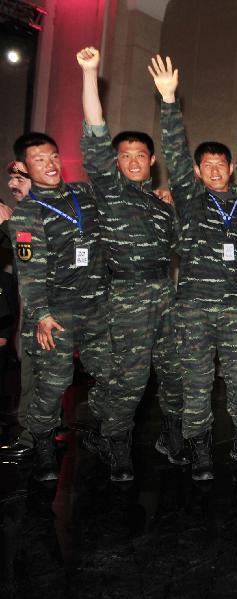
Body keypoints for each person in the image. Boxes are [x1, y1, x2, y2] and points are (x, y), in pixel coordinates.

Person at [149, 55, 237, 480]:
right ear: (198, 172)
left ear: (230, 169)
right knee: (197, 381)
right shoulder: (189, 195)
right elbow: (174, 151)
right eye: (209, 166)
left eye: (223, 165)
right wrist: (168, 99)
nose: (216, 170)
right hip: (195, 307)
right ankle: (198, 445)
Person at [77, 46, 184, 481]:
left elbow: (186, 244)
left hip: (166, 293)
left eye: (142, 155)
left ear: (151, 160)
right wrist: (90, 73)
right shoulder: (110, 191)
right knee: (132, 379)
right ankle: (114, 441)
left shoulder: (163, 205)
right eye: (126, 156)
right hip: (127, 296)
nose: (135, 161)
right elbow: (96, 129)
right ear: (115, 163)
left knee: (175, 372)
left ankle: (174, 436)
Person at [8, 132, 110, 482]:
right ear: (23, 167)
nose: (50, 164)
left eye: (53, 156)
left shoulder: (83, 193)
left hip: (97, 306)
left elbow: (116, 201)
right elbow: (29, 272)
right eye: (39, 159)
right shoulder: (26, 215)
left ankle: (104, 433)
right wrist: (41, 315)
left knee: (109, 373)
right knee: (54, 383)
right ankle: (41, 443)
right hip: (58, 312)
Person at [0, 162, 35, 460]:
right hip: (33, 310)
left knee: (38, 371)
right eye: (11, 177)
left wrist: (5, 225)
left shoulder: (42, 214)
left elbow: (31, 256)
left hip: (50, 312)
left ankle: (33, 437)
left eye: (21, 178)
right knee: (29, 368)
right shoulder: (22, 215)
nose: (13, 183)